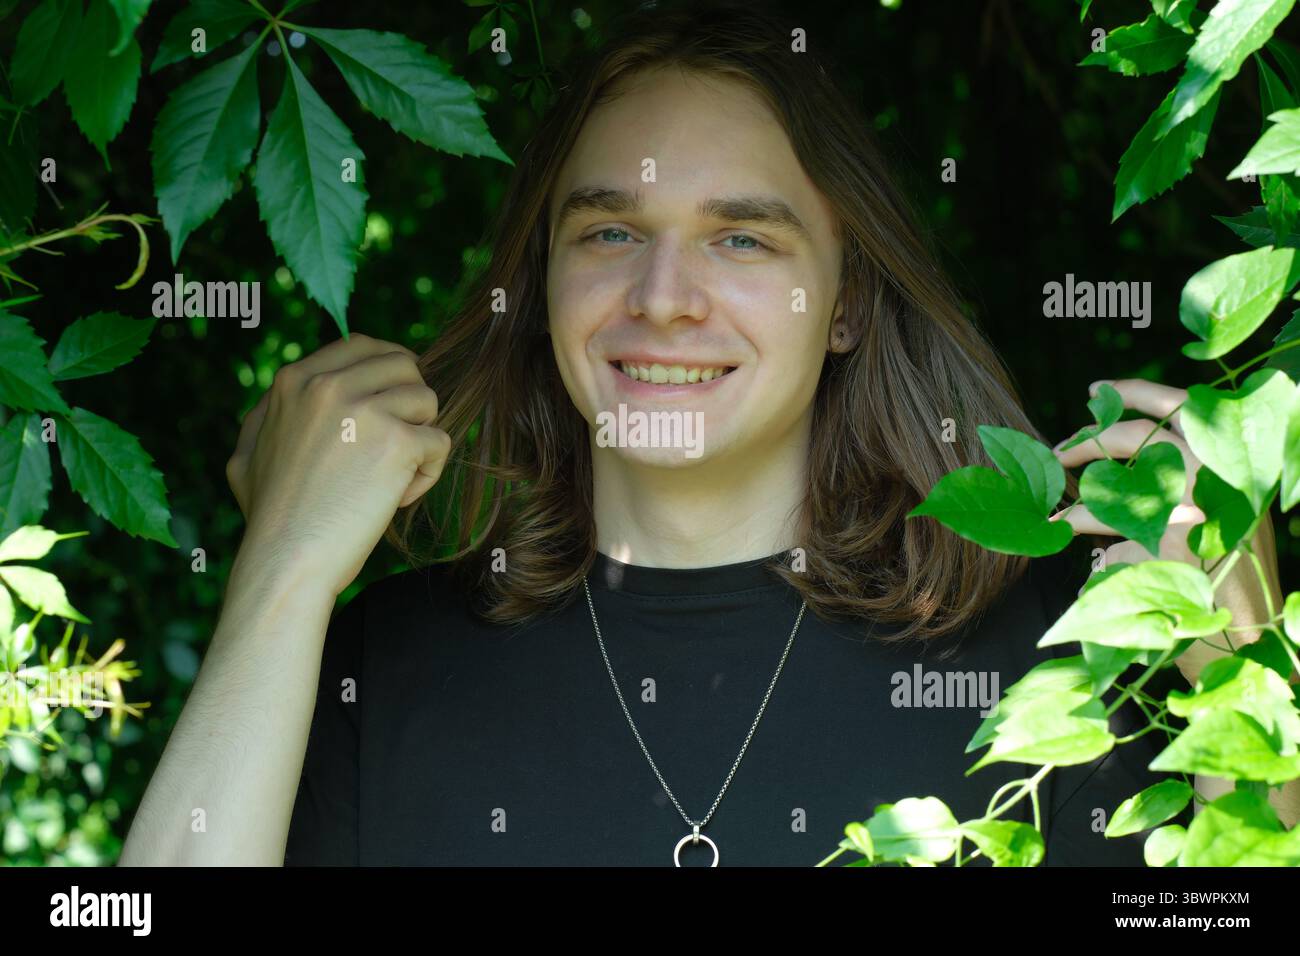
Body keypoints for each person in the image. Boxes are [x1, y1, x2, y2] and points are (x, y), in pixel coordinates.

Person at [120, 0, 1277, 867]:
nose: (663, 296)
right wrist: (277, 578)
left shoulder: (1064, 644)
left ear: (848, 304)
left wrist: (1245, 677)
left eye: (742, 240)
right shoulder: (372, 668)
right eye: (611, 233)